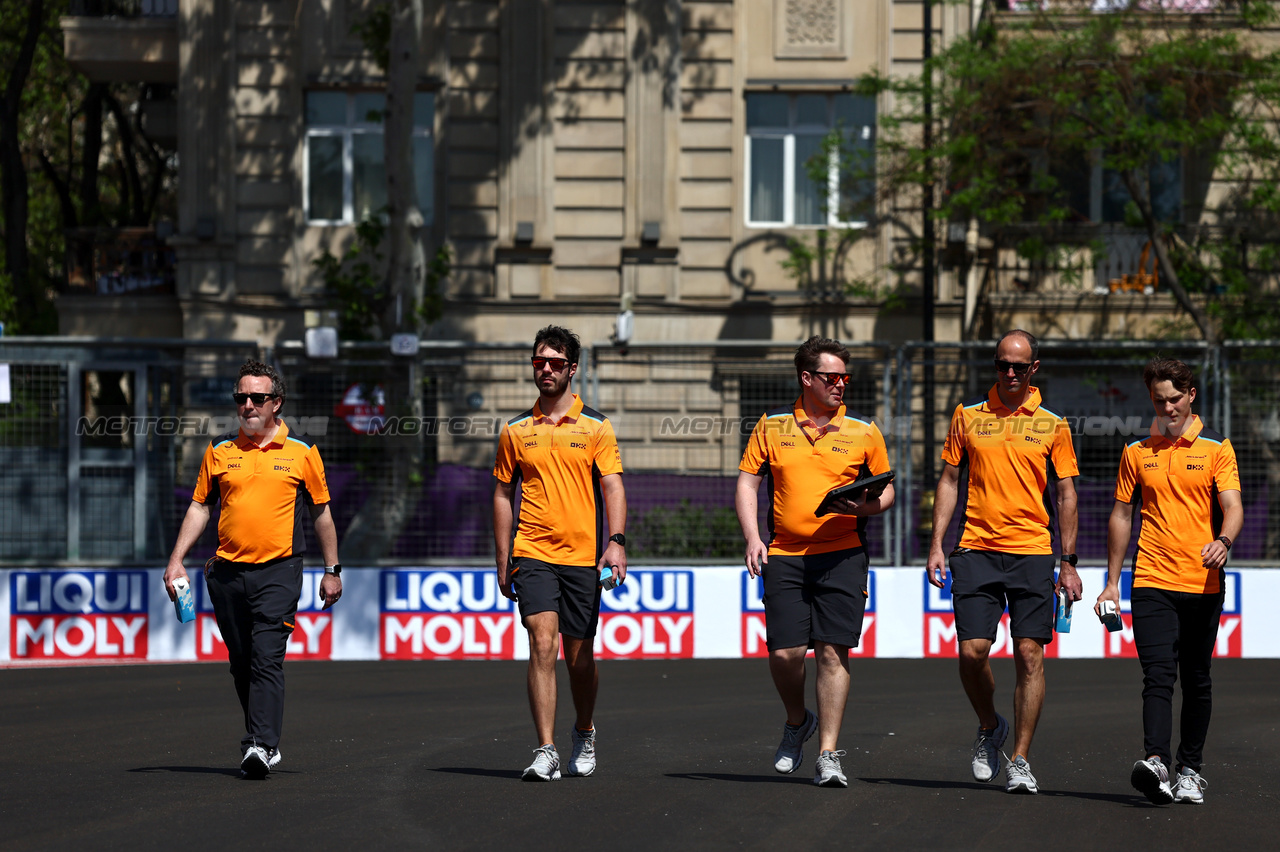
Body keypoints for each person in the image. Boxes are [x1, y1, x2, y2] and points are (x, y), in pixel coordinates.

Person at [164, 359, 341, 779]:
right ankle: (261, 740)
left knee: (266, 658)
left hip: (280, 572)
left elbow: (322, 514)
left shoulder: (303, 452)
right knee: (241, 661)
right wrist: (176, 560)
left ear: (276, 403)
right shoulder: (220, 451)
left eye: (257, 398)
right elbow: (199, 506)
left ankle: (261, 745)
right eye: (241, 397)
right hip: (226, 574)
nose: (248, 405)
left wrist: (332, 568)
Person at [735, 336, 895, 788]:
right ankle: (796, 719)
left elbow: (887, 492)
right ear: (807, 379)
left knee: (832, 652)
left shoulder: (865, 432)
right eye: (832, 377)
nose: (841, 384)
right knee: (785, 654)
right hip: (784, 554)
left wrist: (860, 509)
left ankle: (828, 753)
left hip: (843, 556)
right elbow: (747, 484)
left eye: (845, 377)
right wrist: (752, 538)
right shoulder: (771, 427)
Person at [926, 329, 1081, 795]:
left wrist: (1068, 561)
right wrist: (936, 544)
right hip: (975, 548)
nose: (1009, 373)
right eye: (1002, 365)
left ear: (1034, 369)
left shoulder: (1053, 423)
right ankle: (990, 726)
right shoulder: (967, 416)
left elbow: (1066, 493)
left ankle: (1020, 758)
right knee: (972, 652)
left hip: (1033, 551)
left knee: (1029, 654)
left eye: (1018, 366)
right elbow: (950, 479)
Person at [1098, 357, 1242, 806]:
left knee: (1196, 677)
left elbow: (1233, 506)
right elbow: (1122, 515)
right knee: (1157, 675)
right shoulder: (1137, 452)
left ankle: (1191, 769)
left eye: (1175, 399)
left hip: (1202, 582)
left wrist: (1223, 540)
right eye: (1159, 400)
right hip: (1152, 579)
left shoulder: (1218, 449)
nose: (1168, 407)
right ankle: (1157, 760)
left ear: (1191, 396)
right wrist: (1111, 583)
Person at [493, 325, 627, 781]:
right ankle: (545, 749)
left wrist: (616, 541)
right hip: (531, 552)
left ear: (572, 369)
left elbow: (612, 485)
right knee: (542, 642)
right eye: (538, 362)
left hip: (582, 558)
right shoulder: (515, 430)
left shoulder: (596, 426)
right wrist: (501, 558)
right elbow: (501, 495)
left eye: (554, 363)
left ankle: (584, 729)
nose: (545, 369)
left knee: (579, 658)